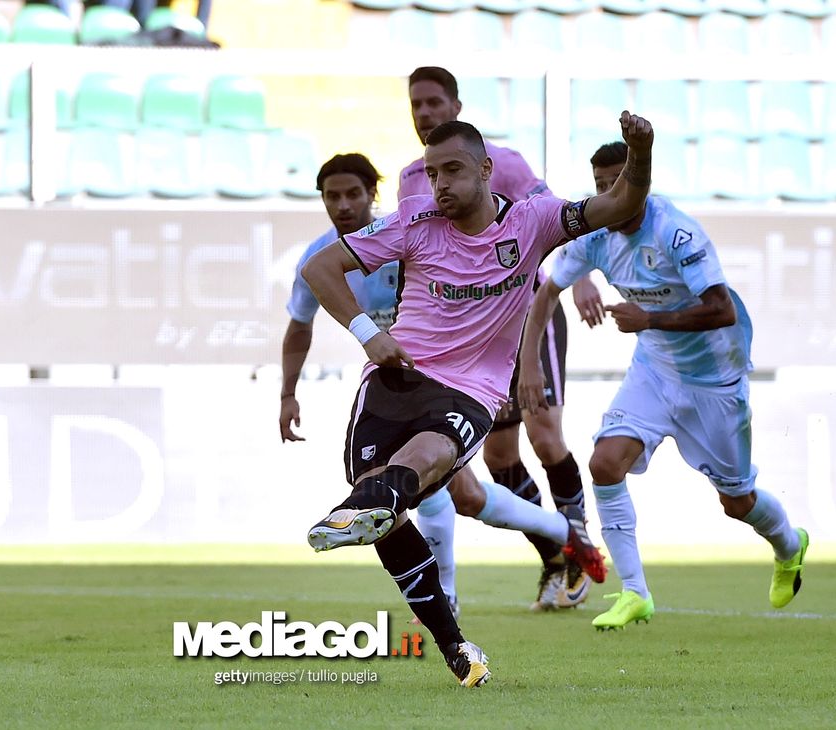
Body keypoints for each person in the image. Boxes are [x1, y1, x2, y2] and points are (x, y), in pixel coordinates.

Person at [302, 113, 654, 686]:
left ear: (487, 171)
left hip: (470, 391)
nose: (439, 184)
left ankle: (382, 496)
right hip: (395, 379)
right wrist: (371, 334)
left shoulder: (535, 221)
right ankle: (456, 646)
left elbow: (617, 207)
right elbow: (320, 267)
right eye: (433, 172)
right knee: (388, 521)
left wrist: (639, 155)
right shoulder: (413, 223)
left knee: (425, 461)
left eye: (453, 171)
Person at [280, 154, 595, 624]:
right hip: (401, 380)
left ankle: (448, 593)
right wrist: (288, 392)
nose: (344, 205)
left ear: (374, 196)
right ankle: (562, 534)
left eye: (354, 194)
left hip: (458, 374)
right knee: (462, 495)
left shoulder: (412, 232)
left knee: (429, 487)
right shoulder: (324, 255)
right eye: (332, 196)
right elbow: (299, 327)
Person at [517, 141, 809, 631]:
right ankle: (635, 593)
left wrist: (649, 316)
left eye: (617, 183)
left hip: (715, 379)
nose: (607, 194)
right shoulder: (596, 234)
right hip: (654, 370)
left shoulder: (675, 231)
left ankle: (788, 545)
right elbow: (547, 290)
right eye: (599, 185)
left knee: (737, 502)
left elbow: (722, 309)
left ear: (639, 183)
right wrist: (529, 364)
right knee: (605, 464)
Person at [399, 66, 602, 611]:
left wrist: (578, 277)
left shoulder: (500, 163)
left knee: (545, 433)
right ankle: (556, 555)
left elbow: (558, 218)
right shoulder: (410, 178)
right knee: (498, 457)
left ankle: (581, 550)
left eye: (434, 102)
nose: (424, 113)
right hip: (470, 335)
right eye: (415, 104)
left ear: (457, 105)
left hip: (528, 314)